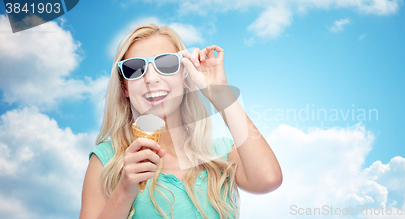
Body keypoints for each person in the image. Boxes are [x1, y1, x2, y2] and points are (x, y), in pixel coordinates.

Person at [79, 24, 282, 219]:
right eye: (134, 69)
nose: (151, 78)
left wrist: (220, 93)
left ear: (185, 77)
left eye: (166, 64)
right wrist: (124, 190)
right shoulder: (108, 160)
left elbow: (268, 179)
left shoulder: (218, 153)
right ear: (124, 88)